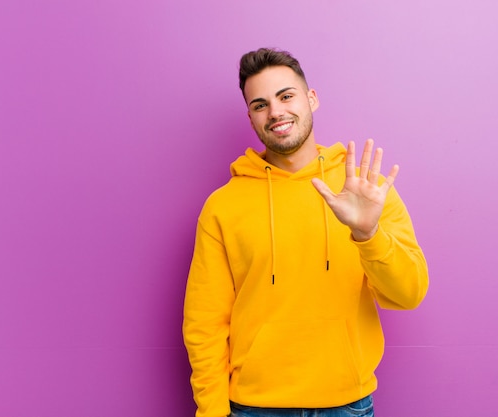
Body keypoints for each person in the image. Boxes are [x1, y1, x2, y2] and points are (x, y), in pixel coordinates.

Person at [183, 47, 429, 417]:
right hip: (253, 408)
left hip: (347, 405)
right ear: (250, 117)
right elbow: (204, 324)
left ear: (311, 99)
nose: (276, 112)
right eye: (260, 104)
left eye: (286, 96)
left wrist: (368, 234)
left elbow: (409, 294)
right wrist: (212, 413)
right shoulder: (223, 206)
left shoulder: (366, 190)